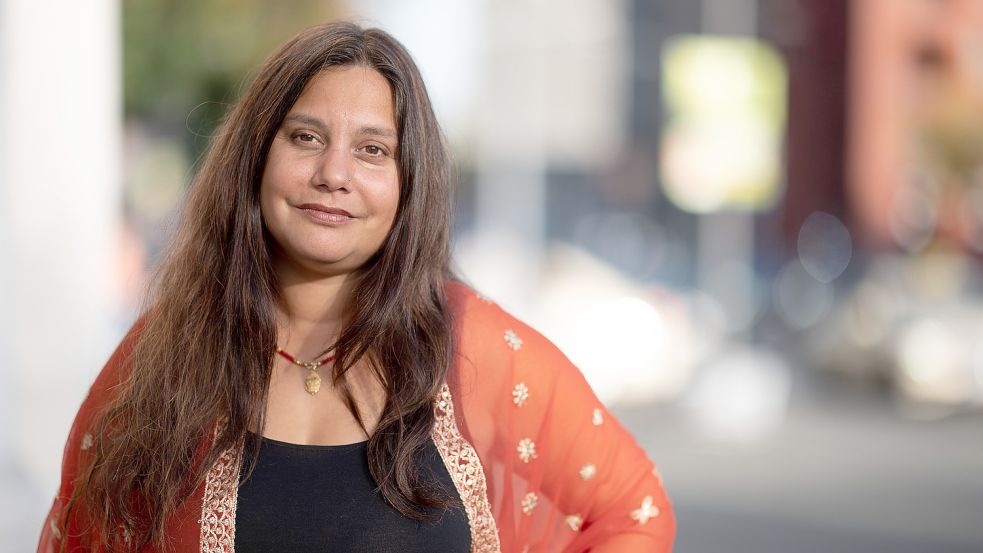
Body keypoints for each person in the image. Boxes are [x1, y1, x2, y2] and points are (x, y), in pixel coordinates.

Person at [37, 21, 675, 553]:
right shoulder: (165, 356)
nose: (333, 173)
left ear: (408, 185)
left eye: (373, 150)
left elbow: (633, 509)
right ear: (256, 158)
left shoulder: (475, 345)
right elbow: (78, 530)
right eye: (306, 138)